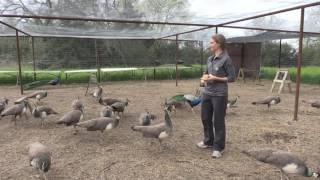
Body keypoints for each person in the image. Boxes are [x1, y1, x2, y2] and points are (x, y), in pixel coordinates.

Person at [197, 34, 235, 158]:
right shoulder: (210, 59)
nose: (210, 44)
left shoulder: (226, 59)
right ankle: (208, 141)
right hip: (207, 93)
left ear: (219, 44)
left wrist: (216, 78)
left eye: (212, 42)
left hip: (219, 95)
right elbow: (206, 72)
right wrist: (204, 79)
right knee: (205, 118)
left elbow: (231, 78)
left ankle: (219, 147)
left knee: (218, 121)